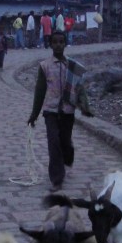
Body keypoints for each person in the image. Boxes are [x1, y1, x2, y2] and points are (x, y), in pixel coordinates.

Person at [27, 30, 93, 191]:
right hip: (50, 112)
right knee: (53, 143)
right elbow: (40, 91)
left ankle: (68, 156)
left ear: (65, 43)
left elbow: (80, 89)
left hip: (67, 112)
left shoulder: (72, 66)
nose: (58, 45)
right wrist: (34, 115)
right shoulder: (44, 66)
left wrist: (85, 107)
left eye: (61, 42)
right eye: (55, 42)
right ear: (50, 44)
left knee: (65, 142)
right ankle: (57, 179)